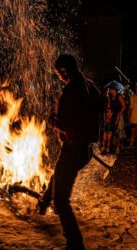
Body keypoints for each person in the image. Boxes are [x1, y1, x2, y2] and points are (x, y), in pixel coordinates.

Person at [38, 54, 105, 249]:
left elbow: (64, 123)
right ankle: (44, 201)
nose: (58, 76)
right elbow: (99, 110)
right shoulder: (91, 86)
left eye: (59, 73)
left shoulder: (71, 90)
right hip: (86, 149)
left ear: (64, 70)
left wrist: (53, 121)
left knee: (61, 201)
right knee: (59, 172)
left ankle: (75, 243)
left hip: (74, 149)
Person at [106, 82, 126, 154]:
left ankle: (118, 147)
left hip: (119, 115)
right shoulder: (110, 97)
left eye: (110, 89)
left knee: (118, 131)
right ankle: (112, 146)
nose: (109, 91)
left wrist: (119, 114)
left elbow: (124, 106)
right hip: (112, 115)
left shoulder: (119, 96)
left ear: (113, 89)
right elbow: (109, 106)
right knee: (112, 130)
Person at [128, 83, 137, 150]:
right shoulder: (132, 97)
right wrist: (129, 119)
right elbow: (129, 109)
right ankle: (130, 147)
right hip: (134, 119)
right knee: (133, 133)